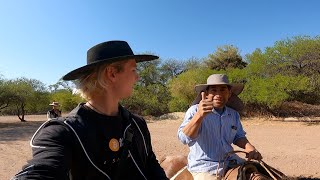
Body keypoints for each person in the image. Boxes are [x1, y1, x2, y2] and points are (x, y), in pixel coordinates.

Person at [13, 40, 168, 180]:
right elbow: (41, 172)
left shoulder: (137, 124)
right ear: (112, 73)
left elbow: (151, 165)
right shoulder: (63, 132)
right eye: (133, 70)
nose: (138, 77)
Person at [177, 74, 262, 180]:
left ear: (229, 93)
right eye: (213, 90)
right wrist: (199, 116)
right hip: (205, 166)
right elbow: (183, 138)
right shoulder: (195, 110)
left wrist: (250, 149)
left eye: (223, 90)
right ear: (206, 93)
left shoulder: (233, 114)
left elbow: (238, 136)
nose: (218, 94)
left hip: (231, 161)